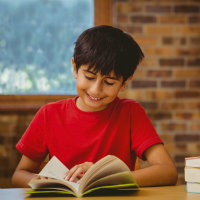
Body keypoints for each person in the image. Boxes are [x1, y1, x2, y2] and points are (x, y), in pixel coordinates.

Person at [12, 25, 177, 187]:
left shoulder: (130, 112)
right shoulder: (49, 114)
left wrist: (105, 177)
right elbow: (19, 175)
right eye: (89, 77)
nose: (96, 90)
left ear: (125, 82)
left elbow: (167, 171)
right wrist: (42, 182)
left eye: (109, 82)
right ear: (75, 68)